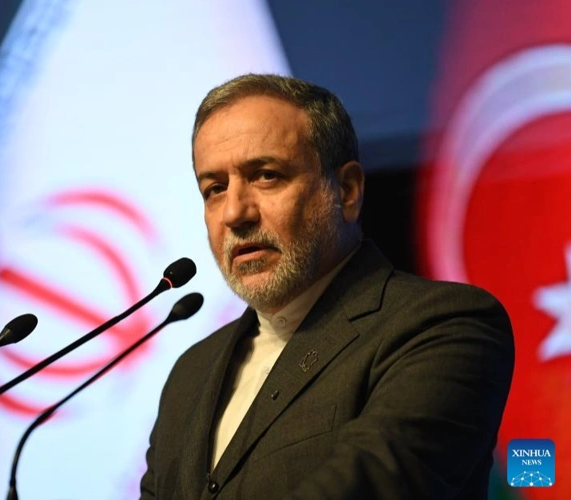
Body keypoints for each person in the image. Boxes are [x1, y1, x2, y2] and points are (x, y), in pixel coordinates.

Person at [138, 74, 515, 499]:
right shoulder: (191, 373)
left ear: (347, 191)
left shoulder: (443, 326)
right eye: (215, 188)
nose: (234, 213)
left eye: (265, 175)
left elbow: (371, 485)